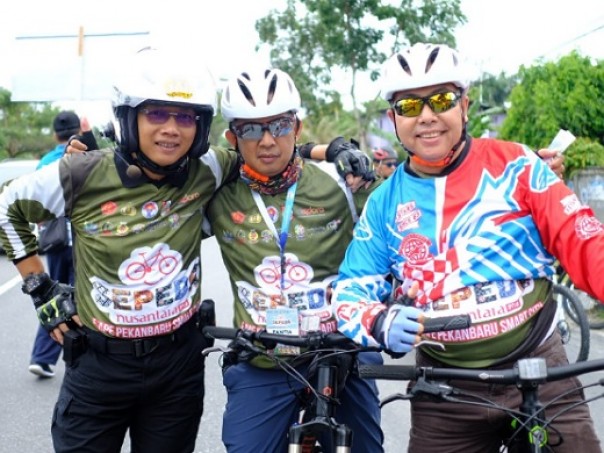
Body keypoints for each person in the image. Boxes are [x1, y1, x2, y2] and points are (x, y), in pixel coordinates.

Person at [0, 47, 373, 453]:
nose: (172, 129)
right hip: (100, 364)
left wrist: (334, 149)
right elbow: (6, 209)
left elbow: (272, 149)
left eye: (185, 118)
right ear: (129, 118)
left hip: (178, 365)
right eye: (157, 114)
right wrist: (40, 287)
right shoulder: (83, 172)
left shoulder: (207, 170)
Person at [331, 42, 604, 452]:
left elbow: (583, 240)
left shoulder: (519, 166)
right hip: (445, 389)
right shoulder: (383, 204)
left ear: (464, 105)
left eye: (441, 99)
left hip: (538, 365)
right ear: (393, 119)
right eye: (409, 106)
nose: (426, 117)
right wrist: (377, 320)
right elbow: (352, 289)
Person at [203, 67, 384, 452]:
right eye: (251, 129)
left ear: (297, 127)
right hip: (263, 357)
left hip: (341, 350)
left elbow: (404, 222)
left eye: (280, 126)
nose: (267, 140)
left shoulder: (342, 180)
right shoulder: (217, 191)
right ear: (232, 137)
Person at [27, 111, 80, 378]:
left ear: (54, 134)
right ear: (78, 130)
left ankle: (42, 357)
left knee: (53, 297)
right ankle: (81, 360)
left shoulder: (46, 162)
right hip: (83, 240)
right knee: (84, 299)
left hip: (56, 241)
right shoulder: (86, 156)